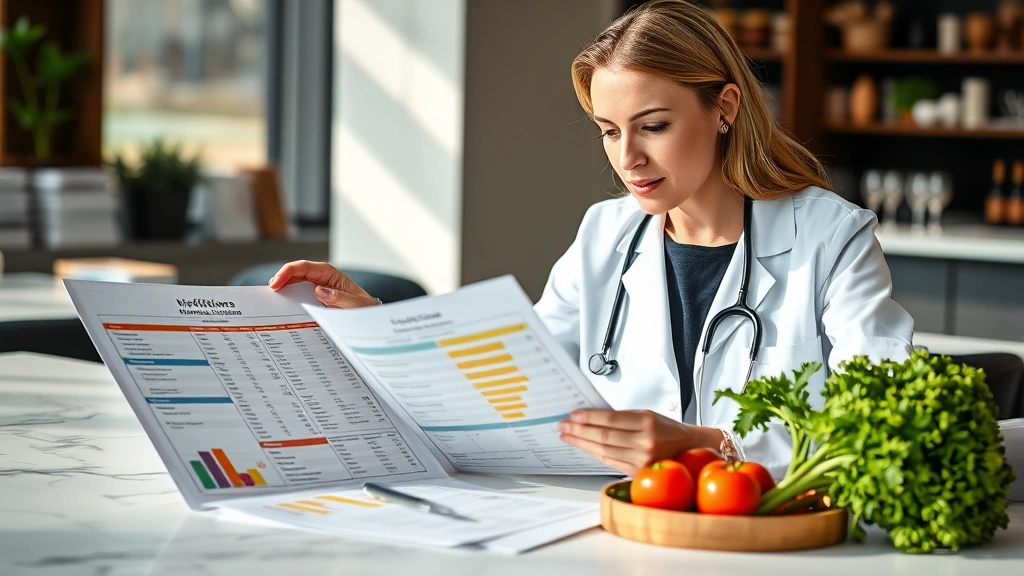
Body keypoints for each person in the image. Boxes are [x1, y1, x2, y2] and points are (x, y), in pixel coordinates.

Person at [269, 0, 913, 478]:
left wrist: (712, 444)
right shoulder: (606, 234)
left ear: (725, 108)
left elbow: (884, 425)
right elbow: (515, 382)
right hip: (620, 531)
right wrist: (381, 324)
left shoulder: (831, 238)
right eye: (609, 131)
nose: (627, 158)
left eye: (653, 125)